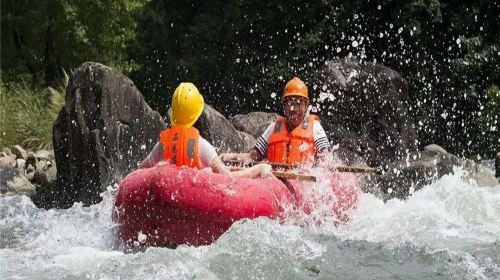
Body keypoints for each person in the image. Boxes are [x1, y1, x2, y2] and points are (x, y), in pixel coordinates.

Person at [140, 82, 271, 178]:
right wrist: (258, 169)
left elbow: (139, 172)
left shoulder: (162, 145)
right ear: (198, 116)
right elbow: (228, 178)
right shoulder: (201, 145)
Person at [221, 77, 331, 165]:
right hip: (276, 183)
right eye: (290, 103)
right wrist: (233, 156)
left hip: (304, 184)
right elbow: (252, 157)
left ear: (306, 105)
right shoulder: (274, 127)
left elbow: (325, 162)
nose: (294, 109)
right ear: (284, 105)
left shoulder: (315, 127)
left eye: (299, 103)